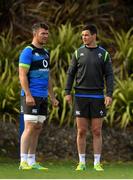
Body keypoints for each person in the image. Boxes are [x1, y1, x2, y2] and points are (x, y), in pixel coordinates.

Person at [65, 24, 114, 171]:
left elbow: (109, 75)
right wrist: (67, 92)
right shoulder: (77, 53)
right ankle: (81, 162)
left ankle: (97, 163)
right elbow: (70, 73)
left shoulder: (103, 54)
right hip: (80, 95)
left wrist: (109, 94)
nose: (83, 38)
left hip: (97, 96)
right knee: (81, 131)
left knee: (97, 131)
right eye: (82, 35)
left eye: (86, 35)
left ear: (94, 35)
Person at [19, 22, 59, 170]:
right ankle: (22, 161)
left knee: (37, 128)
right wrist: (28, 94)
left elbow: (47, 77)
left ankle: (32, 161)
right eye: (43, 33)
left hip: (42, 96)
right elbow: (22, 75)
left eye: (47, 34)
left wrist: (52, 97)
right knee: (29, 127)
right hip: (31, 95)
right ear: (35, 33)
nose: (46, 36)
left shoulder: (46, 53)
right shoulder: (28, 51)